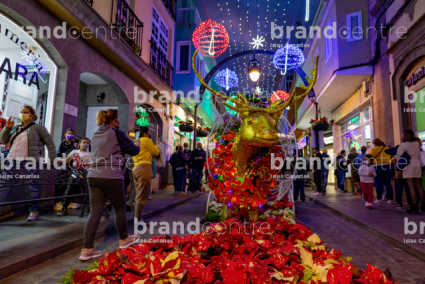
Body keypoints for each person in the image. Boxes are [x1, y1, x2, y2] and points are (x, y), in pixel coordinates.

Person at [80, 109, 140, 261]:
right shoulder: (117, 133)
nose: (118, 121)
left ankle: (87, 249)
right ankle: (124, 239)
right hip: (111, 175)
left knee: (94, 212)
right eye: (117, 118)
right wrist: (136, 142)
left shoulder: (95, 134)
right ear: (114, 120)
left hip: (93, 176)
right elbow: (134, 151)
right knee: (120, 209)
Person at [0, 105, 56, 221]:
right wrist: (7, 128)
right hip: (11, 161)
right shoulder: (16, 127)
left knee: (30, 187)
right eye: (21, 112)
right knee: (2, 186)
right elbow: (2, 140)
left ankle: (33, 211)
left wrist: (52, 161)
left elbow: (50, 144)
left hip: (28, 162)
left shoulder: (39, 128)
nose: (23, 114)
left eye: (25, 112)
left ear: (32, 115)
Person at [57, 137, 92, 216]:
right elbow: (66, 160)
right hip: (74, 173)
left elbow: (89, 167)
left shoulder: (89, 155)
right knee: (69, 190)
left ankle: (88, 208)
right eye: (84, 142)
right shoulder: (74, 152)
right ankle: (64, 208)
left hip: (84, 175)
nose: (86, 144)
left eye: (87, 143)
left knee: (86, 191)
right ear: (79, 143)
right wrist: (59, 160)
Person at [132, 126, 160, 222]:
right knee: (143, 196)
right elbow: (156, 152)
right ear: (144, 133)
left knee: (138, 195)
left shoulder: (137, 141)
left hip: (136, 168)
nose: (149, 135)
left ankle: (137, 217)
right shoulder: (146, 140)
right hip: (144, 167)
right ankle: (138, 219)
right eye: (148, 133)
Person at [395, 130, 425, 214]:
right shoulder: (416, 143)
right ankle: (424, 205)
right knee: (419, 186)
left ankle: (414, 207)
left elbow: (398, 156)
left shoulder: (403, 145)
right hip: (417, 164)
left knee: (411, 186)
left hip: (408, 165)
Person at [370, 138, 394, 204]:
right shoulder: (387, 148)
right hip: (387, 166)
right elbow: (390, 155)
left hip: (377, 166)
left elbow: (370, 158)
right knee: (388, 183)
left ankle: (379, 198)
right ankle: (391, 199)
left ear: (374, 144)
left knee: (378, 183)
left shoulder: (372, 150)